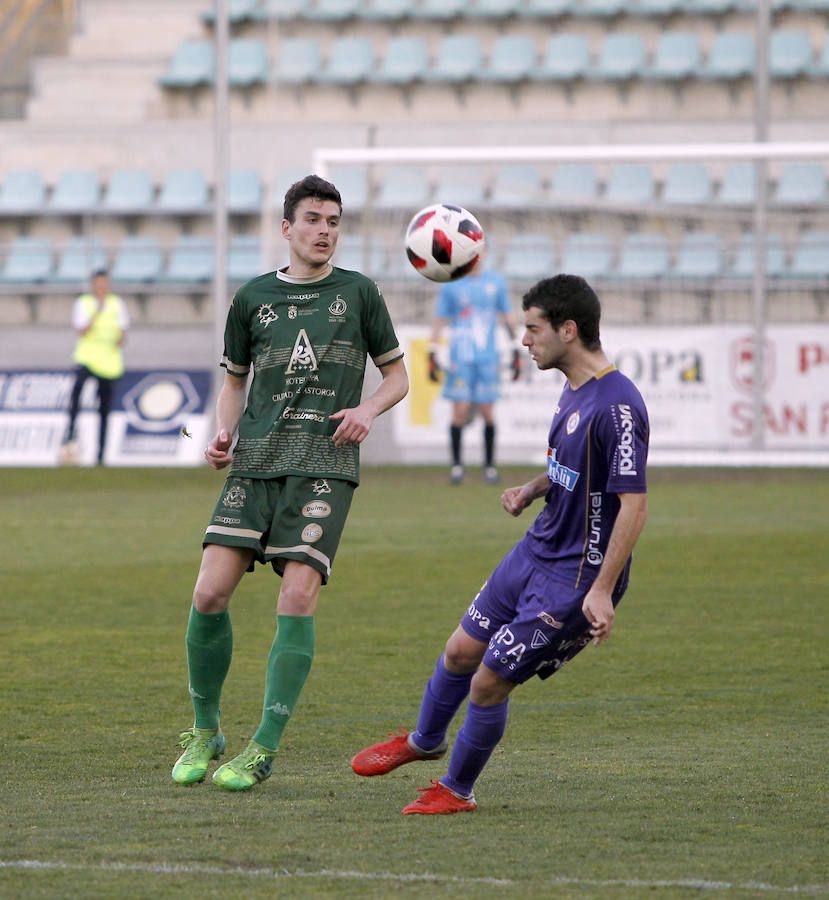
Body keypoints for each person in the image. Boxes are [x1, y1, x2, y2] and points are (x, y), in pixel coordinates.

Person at [351, 274, 649, 815]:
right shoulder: (574, 388)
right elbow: (577, 470)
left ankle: (458, 790)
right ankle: (424, 741)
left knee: (488, 681)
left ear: (568, 330)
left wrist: (602, 590)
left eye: (533, 328)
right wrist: (533, 488)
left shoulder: (619, 406)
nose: (523, 339)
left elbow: (634, 504)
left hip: (575, 578)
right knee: (460, 650)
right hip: (535, 551)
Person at [171, 174, 408, 791]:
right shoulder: (251, 299)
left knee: (297, 595)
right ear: (287, 228)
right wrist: (223, 434)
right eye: (312, 219)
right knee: (208, 595)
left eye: (333, 221)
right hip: (254, 464)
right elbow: (234, 383)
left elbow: (397, 377)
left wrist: (366, 410)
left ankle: (263, 747)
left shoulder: (359, 293)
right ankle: (205, 731)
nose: (324, 230)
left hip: (323, 465)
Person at [427, 257, 522, 485]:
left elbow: (508, 316)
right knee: (459, 412)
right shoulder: (452, 284)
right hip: (461, 358)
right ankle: (457, 466)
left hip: (487, 359)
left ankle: (489, 467)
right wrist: (432, 351)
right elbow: (440, 319)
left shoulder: (496, 283)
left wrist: (516, 349)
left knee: (488, 412)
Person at [61, 269, 129, 465]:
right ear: (93, 286)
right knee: (76, 397)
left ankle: (101, 455)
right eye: (98, 284)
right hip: (87, 359)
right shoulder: (84, 303)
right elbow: (82, 330)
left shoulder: (117, 304)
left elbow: (123, 334)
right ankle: (69, 437)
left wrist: (118, 339)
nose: (102, 288)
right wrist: (97, 313)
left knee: (104, 409)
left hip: (109, 364)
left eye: (104, 284)